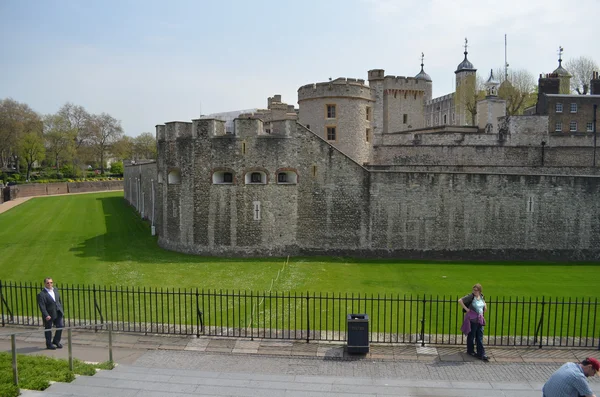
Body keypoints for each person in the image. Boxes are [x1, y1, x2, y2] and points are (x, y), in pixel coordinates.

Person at [458, 283, 488, 361]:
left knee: (479, 337)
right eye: (474, 290)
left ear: (480, 291)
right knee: (471, 336)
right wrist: (467, 309)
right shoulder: (471, 297)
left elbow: (483, 302)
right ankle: (470, 351)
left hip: (480, 319)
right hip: (472, 320)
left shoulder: (481, 296)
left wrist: (485, 306)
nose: (474, 291)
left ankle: (481, 353)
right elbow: (460, 300)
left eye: (476, 290)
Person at [37, 277, 64, 350]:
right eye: (48, 283)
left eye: (51, 282)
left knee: (60, 326)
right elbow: (42, 306)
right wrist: (46, 315)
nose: (50, 284)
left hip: (58, 311)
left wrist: (61, 309)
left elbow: (58, 300)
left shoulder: (55, 289)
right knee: (48, 329)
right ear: (45, 284)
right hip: (49, 314)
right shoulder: (41, 294)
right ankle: (49, 344)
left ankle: (56, 341)